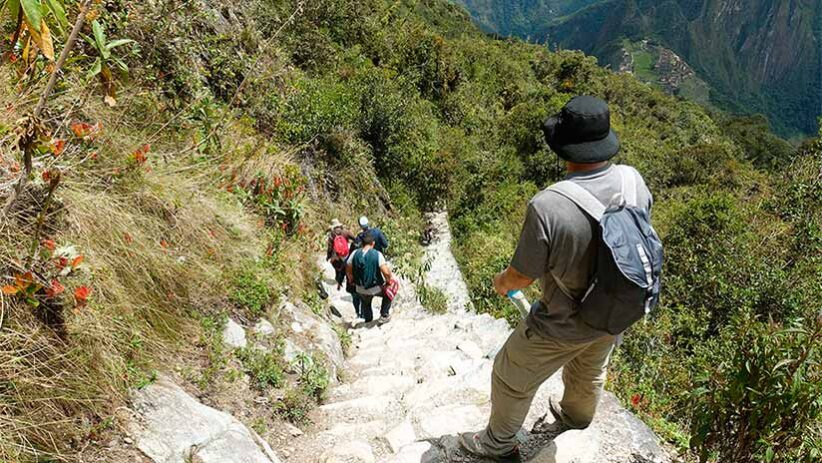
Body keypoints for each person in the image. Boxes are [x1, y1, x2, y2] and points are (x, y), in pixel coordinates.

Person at [459, 96, 654, 462]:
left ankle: (497, 445)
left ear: (565, 148)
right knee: (590, 367)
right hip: (615, 310)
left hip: (562, 323)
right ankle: (576, 418)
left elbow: (522, 275)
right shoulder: (633, 181)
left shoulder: (548, 206)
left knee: (508, 375)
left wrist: (501, 282)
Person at [346, 231, 394, 325]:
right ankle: (384, 315)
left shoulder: (354, 253)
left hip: (359, 288)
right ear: (373, 243)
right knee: (391, 288)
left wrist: (351, 279)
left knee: (365, 302)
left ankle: (368, 320)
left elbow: (348, 268)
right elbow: (386, 273)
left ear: (362, 243)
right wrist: (388, 282)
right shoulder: (377, 254)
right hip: (374, 288)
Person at [326, 219, 361, 317]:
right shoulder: (345, 232)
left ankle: (339, 280)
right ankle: (346, 277)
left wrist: (328, 256)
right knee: (346, 267)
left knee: (338, 269)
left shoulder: (332, 235)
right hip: (346, 254)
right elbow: (355, 239)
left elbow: (329, 247)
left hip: (336, 256)